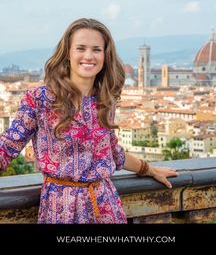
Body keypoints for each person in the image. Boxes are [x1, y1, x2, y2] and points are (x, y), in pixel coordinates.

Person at [0, 18, 178, 224]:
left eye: (96, 49)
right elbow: (8, 146)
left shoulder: (105, 100)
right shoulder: (40, 98)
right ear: (68, 52)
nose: (88, 56)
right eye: (81, 48)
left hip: (105, 205)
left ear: (105, 55)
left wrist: (149, 169)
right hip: (61, 210)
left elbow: (112, 152)